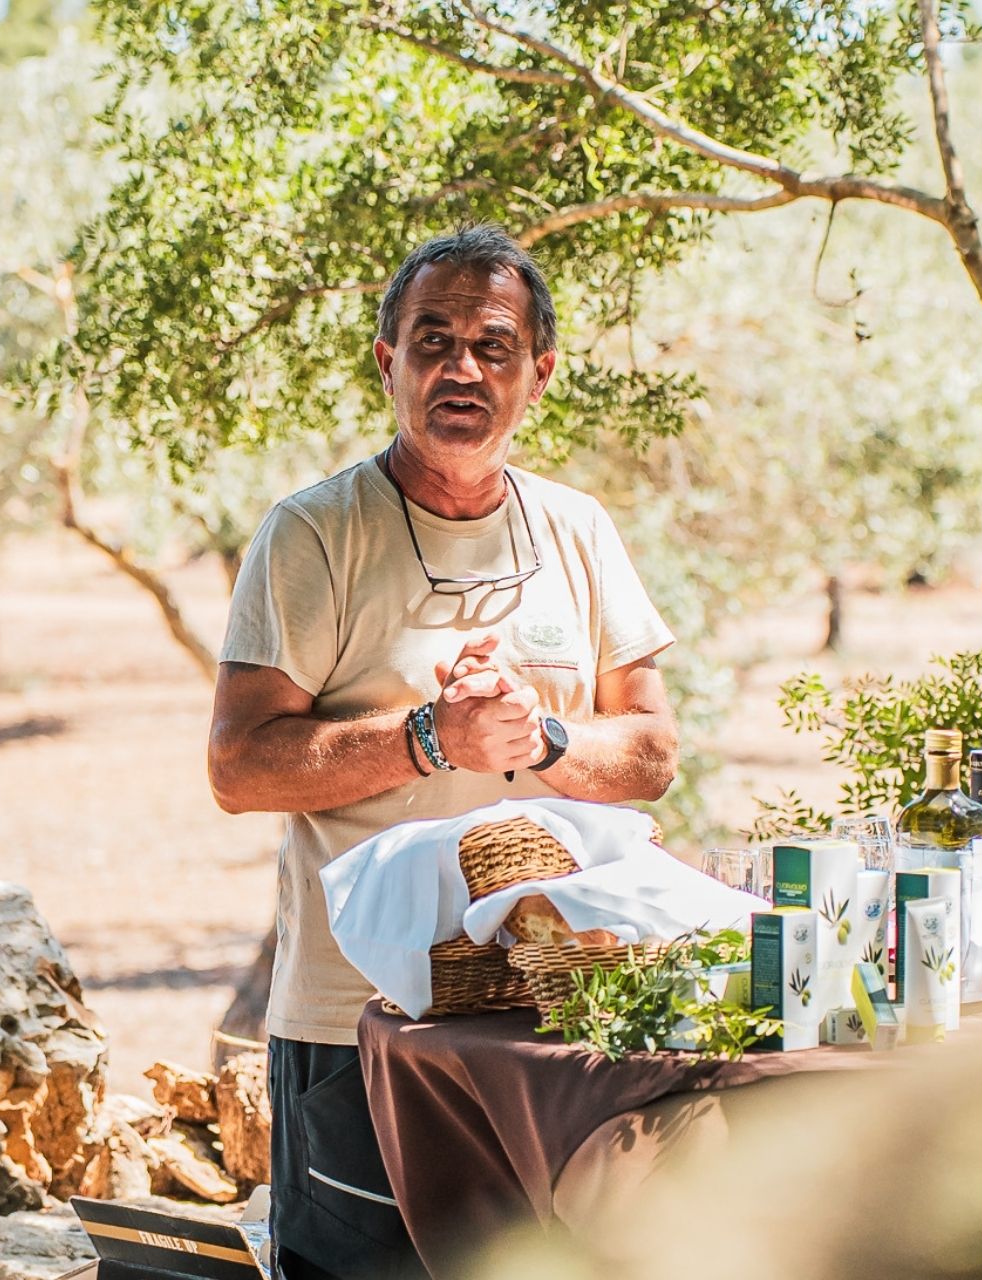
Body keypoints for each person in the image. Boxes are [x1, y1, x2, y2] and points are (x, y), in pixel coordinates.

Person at [206, 225, 679, 1278]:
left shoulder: (579, 530)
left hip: (552, 1030)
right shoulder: (315, 534)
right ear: (389, 362)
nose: (462, 367)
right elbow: (240, 766)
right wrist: (429, 736)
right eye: (434, 340)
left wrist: (543, 736)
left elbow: (649, 753)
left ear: (538, 374)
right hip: (355, 1026)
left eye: (493, 344)